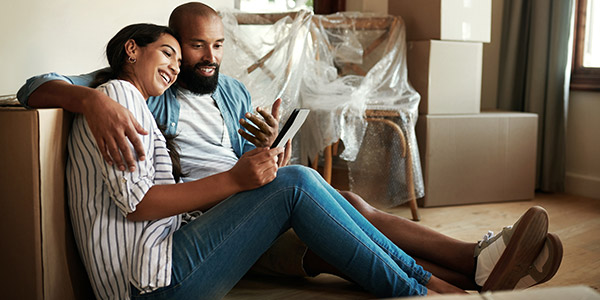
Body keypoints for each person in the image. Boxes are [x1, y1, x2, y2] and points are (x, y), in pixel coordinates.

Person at [17, 2, 562, 296]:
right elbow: (35, 85)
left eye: (216, 46)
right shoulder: (144, 92)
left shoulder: (226, 90)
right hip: (201, 220)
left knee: (346, 205)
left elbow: (232, 161)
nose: (203, 58)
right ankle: (450, 280)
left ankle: (470, 270)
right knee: (321, 201)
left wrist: (261, 146)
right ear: (159, 43)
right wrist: (90, 101)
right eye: (188, 48)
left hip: (233, 205)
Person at [61, 22, 471, 299]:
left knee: (314, 188)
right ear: (132, 49)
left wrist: (262, 159)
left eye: (177, 62)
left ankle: (436, 281)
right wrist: (238, 181)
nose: (174, 67)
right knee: (299, 184)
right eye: (169, 53)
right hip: (149, 282)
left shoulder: (152, 99)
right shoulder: (115, 97)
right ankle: (426, 289)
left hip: (164, 258)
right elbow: (138, 204)